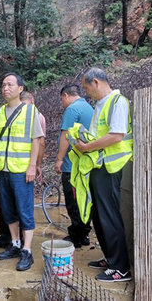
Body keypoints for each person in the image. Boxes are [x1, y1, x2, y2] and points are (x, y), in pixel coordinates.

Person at [75, 67, 133, 282]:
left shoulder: (118, 102)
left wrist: (87, 147)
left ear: (96, 82)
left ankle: (121, 268)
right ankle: (110, 258)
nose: (86, 91)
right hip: (100, 168)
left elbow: (116, 136)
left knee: (111, 217)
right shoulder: (100, 104)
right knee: (99, 216)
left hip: (114, 168)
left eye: (86, 87)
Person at [0, 73, 44, 271]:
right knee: (8, 210)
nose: (5, 88)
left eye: (10, 84)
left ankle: (27, 250)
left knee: (24, 211)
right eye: (3, 85)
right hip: (3, 169)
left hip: (21, 171)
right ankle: (15, 244)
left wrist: (32, 166)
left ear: (20, 89)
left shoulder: (30, 111)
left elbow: (36, 140)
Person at [53, 84, 94, 248]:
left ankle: (76, 236)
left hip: (73, 166)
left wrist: (60, 159)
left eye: (62, 100)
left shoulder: (72, 109)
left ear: (65, 96)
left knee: (73, 201)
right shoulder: (89, 108)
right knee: (84, 201)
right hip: (86, 164)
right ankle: (84, 234)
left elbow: (66, 135)